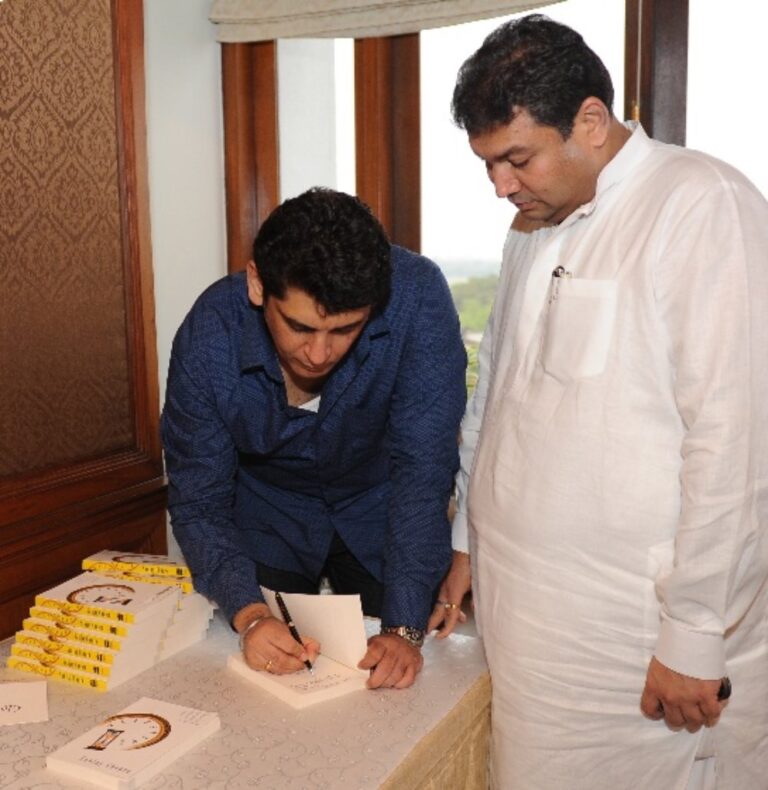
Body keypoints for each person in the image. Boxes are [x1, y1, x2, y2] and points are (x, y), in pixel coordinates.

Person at [429, 13, 768, 789]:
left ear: (589, 121)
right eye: (487, 165)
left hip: (639, 648)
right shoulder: (530, 227)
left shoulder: (701, 205)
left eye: (516, 159)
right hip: (533, 637)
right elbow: (499, 395)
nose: (501, 186)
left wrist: (693, 636)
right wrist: (467, 541)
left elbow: (739, 445)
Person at [162, 187, 466, 690]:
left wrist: (404, 629)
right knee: (268, 681)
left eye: (345, 329)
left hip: (382, 510)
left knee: (394, 683)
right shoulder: (210, 336)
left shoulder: (417, 298)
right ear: (258, 285)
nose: (319, 354)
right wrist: (250, 614)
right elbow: (200, 500)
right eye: (300, 327)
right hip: (268, 517)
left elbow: (423, 466)